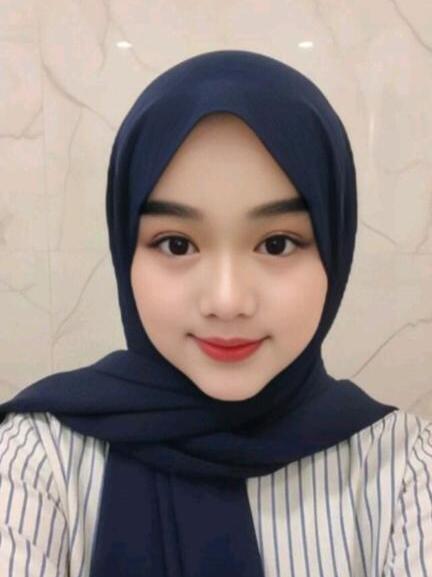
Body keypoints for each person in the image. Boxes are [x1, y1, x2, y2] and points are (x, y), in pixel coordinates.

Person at [0, 49, 431, 577]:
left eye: (277, 243)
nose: (227, 302)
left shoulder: (403, 470)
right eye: (177, 244)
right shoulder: (41, 458)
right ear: (125, 250)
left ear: (334, 249)